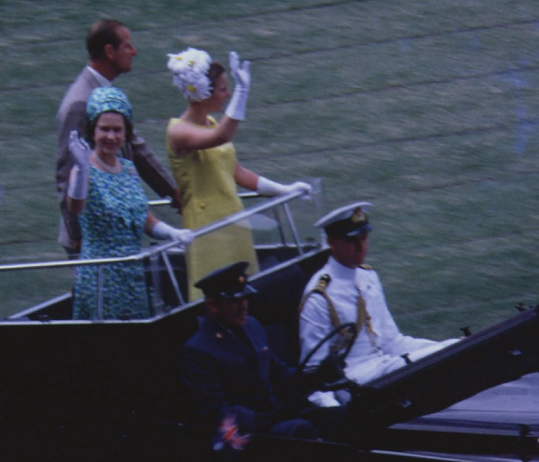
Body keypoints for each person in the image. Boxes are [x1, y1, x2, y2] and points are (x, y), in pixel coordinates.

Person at [165, 47, 311, 300]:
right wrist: (243, 92)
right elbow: (222, 136)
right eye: (223, 89)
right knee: (214, 298)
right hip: (207, 229)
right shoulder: (178, 132)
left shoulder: (210, 123)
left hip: (233, 222)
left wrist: (283, 190)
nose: (228, 93)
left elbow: (236, 172)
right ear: (204, 92)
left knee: (244, 296)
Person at [299, 202, 459, 407]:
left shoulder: (368, 277)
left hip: (385, 367)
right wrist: (333, 413)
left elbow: (392, 341)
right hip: (355, 382)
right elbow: (313, 371)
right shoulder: (319, 296)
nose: (361, 248)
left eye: (364, 239)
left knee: (453, 348)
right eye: (352, 241)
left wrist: (443, 346)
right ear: (332, 242)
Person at [181, 261, 347, 446]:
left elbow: (278, 374)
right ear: (213, 305)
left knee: (338, 415)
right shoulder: (198, 350)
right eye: (234, 301)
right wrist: (271, 415)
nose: (243, 307)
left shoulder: (252, 326)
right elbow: (216, 410)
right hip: (246, 433)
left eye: (244, 299)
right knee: (299, 429)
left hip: (274, 415)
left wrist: (316, 375)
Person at [56, 19, 181, 259]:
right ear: (109, 52)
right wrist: (77, 235)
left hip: (118, 229)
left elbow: (134, 145)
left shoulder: (106, 94)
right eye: (127, 46)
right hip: (91, 238)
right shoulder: (79, 103)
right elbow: (66, 172)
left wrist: (171, 191)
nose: (134, 51)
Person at [66, 86, 194, 320]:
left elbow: (144, 218)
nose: (111, 137)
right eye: (104, 129)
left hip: (132, 271)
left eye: (118, 130)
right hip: (100, 276)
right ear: (92, 130)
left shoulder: (129, 168)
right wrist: (83, 169)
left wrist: (173, 233)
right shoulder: (83, 172)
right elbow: (75, 207)